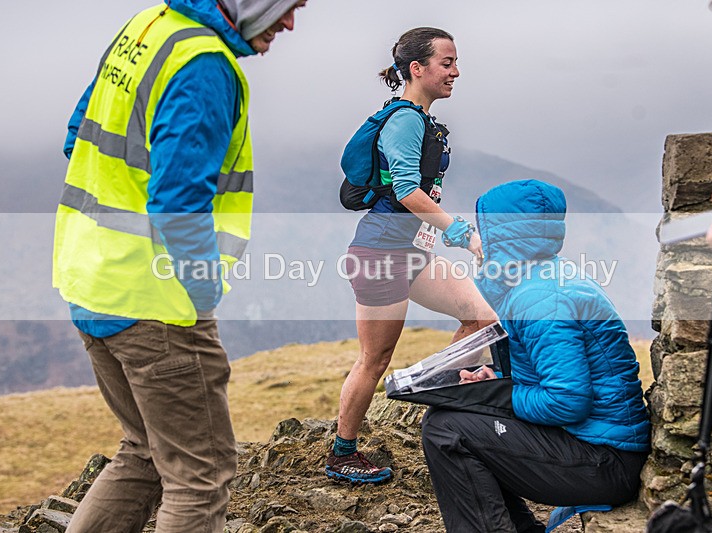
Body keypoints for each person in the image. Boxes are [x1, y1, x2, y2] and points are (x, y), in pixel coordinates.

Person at [52, 1, 307, 531]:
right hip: (158, 304)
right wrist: (200, 289)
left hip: (94, 281)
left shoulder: (149, 27)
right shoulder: (204, 64)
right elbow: (177, 199)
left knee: (144, 451)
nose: (289, 23)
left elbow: (77, 132)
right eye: (285, 5)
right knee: (200, 475)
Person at [420, 180, 651, 532]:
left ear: (503, 235)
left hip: (605, 461)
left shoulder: (540, 300)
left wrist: (500, 395)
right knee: (456, 419)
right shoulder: (543, 279)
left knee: (446, 429)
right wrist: (494, 381)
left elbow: (568, 400)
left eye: (486, 229)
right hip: (605, 446)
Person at [326, 27, 498, 484]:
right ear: (417, 69)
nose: (456, 71)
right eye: (447, 63)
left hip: (413, 253)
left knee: (483, 316)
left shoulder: (422, 120)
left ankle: (436, 400)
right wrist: (465, 234)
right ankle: (343, 454)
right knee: (374, 359)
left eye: (456, 62)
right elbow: (406, 191)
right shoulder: (404, 120)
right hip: (380, 252)